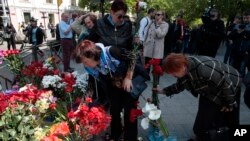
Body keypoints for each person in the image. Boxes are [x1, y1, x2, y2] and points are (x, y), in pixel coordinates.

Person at [154, 53, 241, 141]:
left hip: (230, 84)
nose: (173, 75)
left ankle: (214, 135)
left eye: (173, 73)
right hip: (209, 89)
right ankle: (201, 135)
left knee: (218, 114)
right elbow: (180, 85)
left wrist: (229, 103)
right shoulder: (184, 70)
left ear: (183, 66)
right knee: (204, 112)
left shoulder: (203, 68)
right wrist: (163, 91)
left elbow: (226, 84)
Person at [87, 1, 139, 140]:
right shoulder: (100, 24)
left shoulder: (127, 26)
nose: (122, 20)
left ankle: (130, 137)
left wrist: (129, 75)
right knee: (115, 108)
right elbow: (89, 45)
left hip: (126, 71)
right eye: (119, 16)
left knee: (130, 108)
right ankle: (115, 134)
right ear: (111, 12)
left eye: (124, 16)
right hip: (109, 74)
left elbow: (131, 53)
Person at [73, 40, 145, 141]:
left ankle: (130, 138)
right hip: (114, 87)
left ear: (92, 55)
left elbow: (132, 56)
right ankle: (116, 135)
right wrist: (83, 103)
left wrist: (128, 77)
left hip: (128, 84)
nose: (85, 65)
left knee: (130, 112)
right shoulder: (91, 68)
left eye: (85, 61)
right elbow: (91, 85)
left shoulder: (110, 51)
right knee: (114, 111)